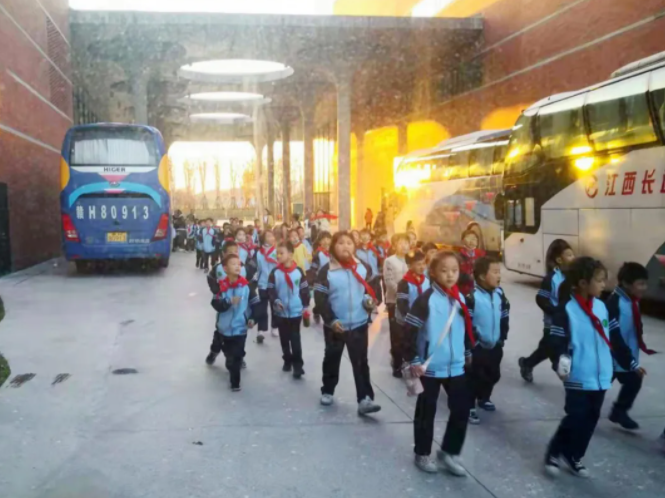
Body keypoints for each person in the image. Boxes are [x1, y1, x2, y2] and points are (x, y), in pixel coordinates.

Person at [545, 257, 643, 478]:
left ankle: (574, 455)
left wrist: (631, 363)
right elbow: (556, 342)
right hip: (578, 376)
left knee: (590, 419)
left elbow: (615, 338)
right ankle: (554, 452)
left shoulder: (602, 307)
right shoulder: (566, 309)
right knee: (575, 417)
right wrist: (560, 363)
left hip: (601, 377)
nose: (603, 285)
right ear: (582, 283)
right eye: (599, 280)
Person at [403, 251, 475, 475]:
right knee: (426, 413)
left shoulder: (461, 299)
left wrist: (467, 351)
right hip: (430, 368)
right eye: (444, 271)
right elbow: (408, 331)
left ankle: (449, 452)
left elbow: (466, 329)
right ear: (433, 272)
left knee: (462, 409)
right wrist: (414, 358)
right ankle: (422, 453)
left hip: (456, 366)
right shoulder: (425, 300)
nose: (450, 275)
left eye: (454, 270)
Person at [314, 231, 381, 415]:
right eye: (341, 243)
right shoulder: (326, 271)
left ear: (355, 246)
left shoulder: (363, 267)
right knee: (332, 358)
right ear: (333, 247)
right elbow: (320, 298)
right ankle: (327, 390)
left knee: (361, 362)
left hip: (359, 324)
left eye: (349, 243)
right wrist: (331, 320)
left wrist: (369, 301)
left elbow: (372, 289)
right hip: (336, 326)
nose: (345, 246)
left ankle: (364, 399)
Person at [605, 262, 656, 430]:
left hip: (625, 355)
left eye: (645, 283)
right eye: (640, 284)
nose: (644, 288)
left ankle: (619, 411)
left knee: (634, 380)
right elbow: (614, 337)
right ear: (626, 284)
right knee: (597, 389)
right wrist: (631, 362)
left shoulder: (632, 301)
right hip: (611, 356)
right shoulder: (614, 304)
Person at [519, 239, 575, 382]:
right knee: (555, 351)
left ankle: (527, 363)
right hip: (552, 324)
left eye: (573, 254)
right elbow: (541, 298)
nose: (573, 258)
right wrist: (555, 311)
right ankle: (565, 375)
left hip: (568, 323)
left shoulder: (573, 277)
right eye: (569, 255)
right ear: (559, 260)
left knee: (546, 348)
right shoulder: (551, 279)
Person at [206, 254, 263, 391]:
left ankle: (235, 382)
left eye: (239, 264)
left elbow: (257, 305)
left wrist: (253, 319)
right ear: (225, 268)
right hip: (223, 329)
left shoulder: (246, 287)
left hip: (240, 329)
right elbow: (215, 304)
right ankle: (214, 353)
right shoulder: (221, 286)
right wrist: (228, 301)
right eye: (233, 264)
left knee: (236, 356)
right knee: (224, 350)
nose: (237, 266)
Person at [465, 256, 510, 425]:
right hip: (478, 346)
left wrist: (502, 337)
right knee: (473, 377)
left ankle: (484, 398)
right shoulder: (472, 297)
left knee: (493, 374)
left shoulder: (500, 294)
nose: (499, 275)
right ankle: (469, 406)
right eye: (495, 272)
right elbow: (467, 323)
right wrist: (473, 343)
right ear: (483, 276)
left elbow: (504, 316)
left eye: (499, 272)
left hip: (495, 344)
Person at [268, 242, 310, 379]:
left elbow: (304, 289)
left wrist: (305, 306)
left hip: (296, 311)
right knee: (284, 339)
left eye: (282, 253)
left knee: (295, 339)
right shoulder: (275, 273)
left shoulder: (298, 272)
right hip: (281, 312)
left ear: (291, 255)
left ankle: (298, 366)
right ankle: (287, 359)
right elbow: (271, 290)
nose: (278, 255)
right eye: (277, 253)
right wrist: (276, 301)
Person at [383, 233, 410, 377]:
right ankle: (397, 364)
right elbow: (389, 281)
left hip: (410, 303)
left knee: (407, 333)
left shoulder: (410, 260)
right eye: (401, 243)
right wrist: (402, 295)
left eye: (406, 242)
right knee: (396, 334)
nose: (404, 246)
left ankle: (406, 360)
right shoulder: (389, 261)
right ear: (394, 245)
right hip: (394, 301)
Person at [255, 230, 279, 343]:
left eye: (272, 236)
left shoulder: (277, 251)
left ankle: (274, 327)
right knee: (262, 308)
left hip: (274, 284)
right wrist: (255, 280)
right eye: (268, 236)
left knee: (275, 307)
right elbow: (257, 268)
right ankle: (261, 330)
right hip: (262, 284)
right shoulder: (259, 253)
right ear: (263, 239)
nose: (271, 238)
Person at [395, 250, 430, 328]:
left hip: (422, 320)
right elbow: (402, 304)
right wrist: (411, 319)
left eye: (424, 263)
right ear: (409, 266)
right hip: (406, 321)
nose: (422, 267)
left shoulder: (427, 281)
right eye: (419, 264)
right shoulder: (404, 283)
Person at [309, 231, 332, 324]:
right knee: (319, 300)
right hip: (320, 281)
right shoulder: (318, 254)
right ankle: (316, 311)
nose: (326, 241)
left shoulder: (333, 253)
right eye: (323, 239)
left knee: (330, 300)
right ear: (320, 242)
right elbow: (313, 269)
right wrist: (313, 280)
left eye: (328, 239)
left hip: (331, 280)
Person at [356, 229, 383, 306]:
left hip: (375, 277)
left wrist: (380, 272)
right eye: (363, 235)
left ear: (370, 237)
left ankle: (374, 307)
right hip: (363, 278)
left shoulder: (376, 249)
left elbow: (381, 261)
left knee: (376, 297)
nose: (365, 237)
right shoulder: (356, 250)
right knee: (365, 299)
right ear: (360, 237)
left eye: (367, 235)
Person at [457, 229, 485, 296]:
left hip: (479, 291)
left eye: (474, 238)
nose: (471, 241)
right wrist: (469, 277)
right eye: (468, 238)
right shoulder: (458, 257)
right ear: (462, 241)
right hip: (464, 292)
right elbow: (456, 275)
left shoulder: (481, 255)